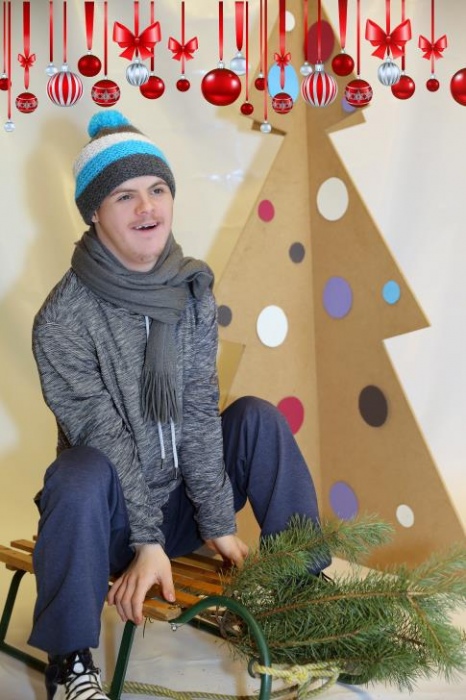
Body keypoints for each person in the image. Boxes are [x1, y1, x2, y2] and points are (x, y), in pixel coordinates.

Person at [29, 110, 330, 700]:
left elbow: (197, 412)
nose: (148, 208)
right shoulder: (62, 319)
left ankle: (302, 598)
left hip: (181, 507)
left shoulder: (189, 288)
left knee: (256, 416)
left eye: (158, 190)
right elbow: (104, 435)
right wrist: (145, 542)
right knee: (78, 471)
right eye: (125, 196)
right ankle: (70, 664)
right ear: (94, 213)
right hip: (113, 524)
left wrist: (217, 523)